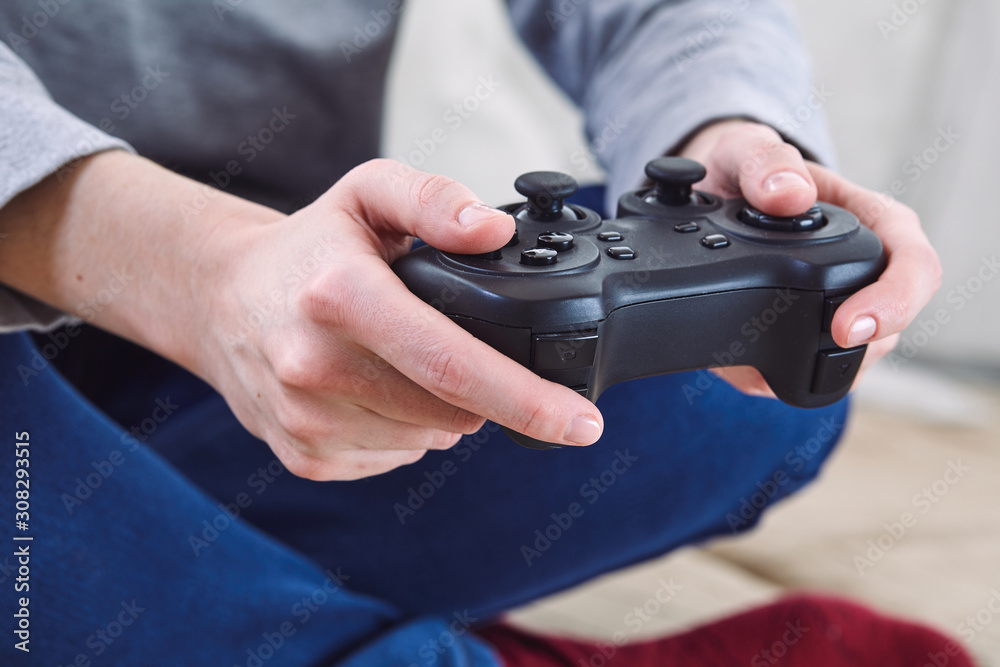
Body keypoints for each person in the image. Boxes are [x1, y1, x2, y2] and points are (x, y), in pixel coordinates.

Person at [0, 1, 941, 664]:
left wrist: (733, 137)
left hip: (274, 322)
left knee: (754, 383)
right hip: (82, 284)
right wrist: (200, 274)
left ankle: (154, 594)